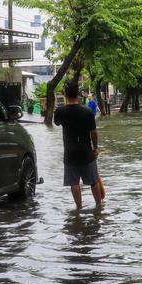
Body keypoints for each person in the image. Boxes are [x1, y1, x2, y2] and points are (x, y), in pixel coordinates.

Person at [54, 80, 104, 209]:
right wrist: (96, 148)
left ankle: (79, 208)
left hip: (70, 153)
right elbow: (93, 133)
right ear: (78, 95)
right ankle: (99, 207)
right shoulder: (87, 112)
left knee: (74, 182)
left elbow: (56, 123)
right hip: (86, 151)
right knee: (93, 181)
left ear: (65, 95)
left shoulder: (60, 111)